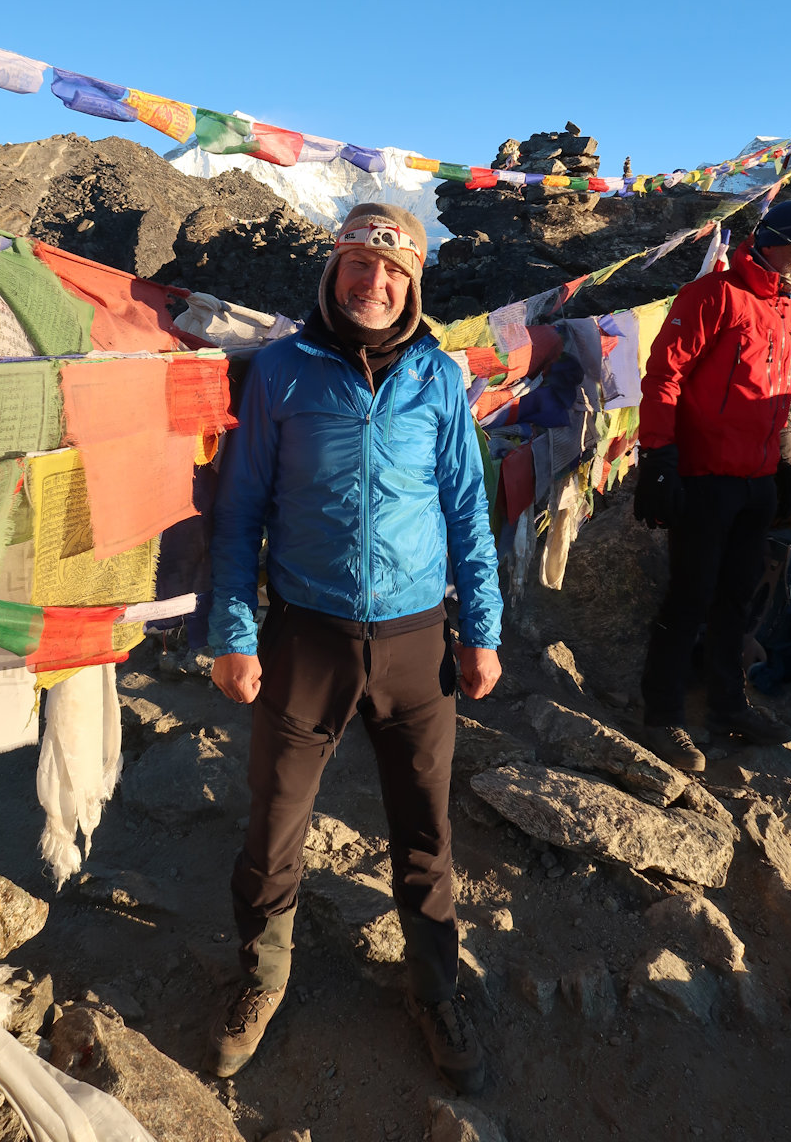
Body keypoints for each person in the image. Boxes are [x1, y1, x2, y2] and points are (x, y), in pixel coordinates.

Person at [205, 202, 504, 1092]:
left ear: (413, 284)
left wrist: (482, 630)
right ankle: (261, 980)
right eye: (358, 266)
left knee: (425, 832)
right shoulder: (284, 373)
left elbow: (467, 512)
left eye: (394, 272)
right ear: (334, 271)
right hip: (307, 637)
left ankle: (435, 987)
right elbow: (240, 512)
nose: (373, 284)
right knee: (274, 824)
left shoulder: (438, 379)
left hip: (418, 643)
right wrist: (232, 631)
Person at [633, 199, 791, 771]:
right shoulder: (711, 295)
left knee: (738, 598)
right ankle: (661, 716)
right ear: (771, 239)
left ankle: (728, 704)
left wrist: (779, 462)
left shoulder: (788, 310)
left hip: (756, 480)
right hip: (705, 477)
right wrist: (658, 457)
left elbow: (773, 392)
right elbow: (664, 375)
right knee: (689, 596)